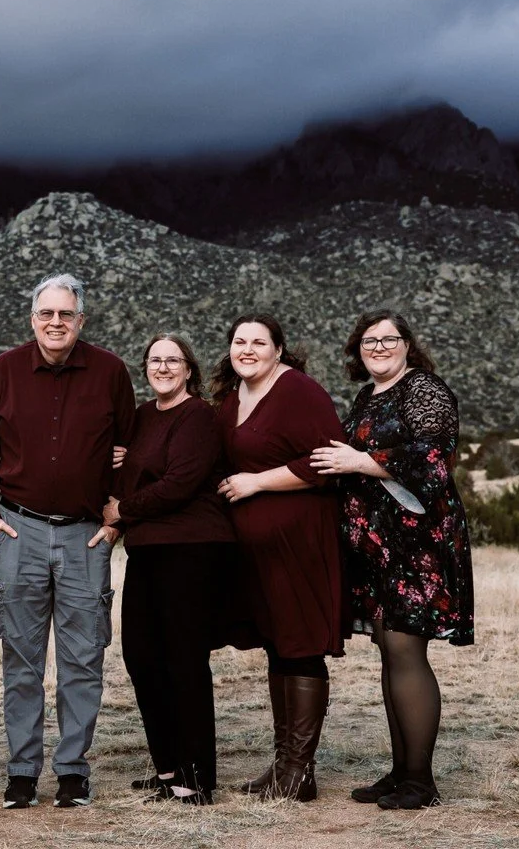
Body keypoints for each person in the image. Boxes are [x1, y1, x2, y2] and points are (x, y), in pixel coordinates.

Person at [0, 273, 136, 810]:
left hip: (87, 536)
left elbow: (130, 449)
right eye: (47, 314)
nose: (56, 323)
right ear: (33, 318)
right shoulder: (3, 371)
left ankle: (72, 771)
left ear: (81, 320)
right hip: (19, 531)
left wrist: (115, 522)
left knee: (83, 656)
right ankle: (22, 771)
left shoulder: (111, 371)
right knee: (20, 657)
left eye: (66, 314)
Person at [309, 310, 474, 811]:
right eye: (368, 341)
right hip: (374, 544)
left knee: (406, 653)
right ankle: (402, 771)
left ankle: (421, 784)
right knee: (389, 651)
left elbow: (433, 459)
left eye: (389, 339)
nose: (378, 347)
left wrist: (361, 462)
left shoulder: (423, 389)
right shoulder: (367, 396)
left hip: (414, 543)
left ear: (408, 344)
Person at [211, 313, 343, 802]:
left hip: (299, 540)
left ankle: (299, 771)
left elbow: (326, 461)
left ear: (279, 350)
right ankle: (286, 766)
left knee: (300, 643)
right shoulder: (232, 399)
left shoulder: (298, 391)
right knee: (278, 643)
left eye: (258, 342)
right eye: (239, 342)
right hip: (254, 549)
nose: (247, 350)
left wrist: (257, 482)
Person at [102, 332, 236, 805]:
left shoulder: (199, 416)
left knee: (183, 659)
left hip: (193, 548)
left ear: (188, 369)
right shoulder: (141, 417)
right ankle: (168, 767)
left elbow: (180, 484)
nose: (162, 367)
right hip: (149, 551)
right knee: (141, 655)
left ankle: (196, 777)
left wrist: (122, 512)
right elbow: (127, 469)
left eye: (172, 360)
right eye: (154, 360)